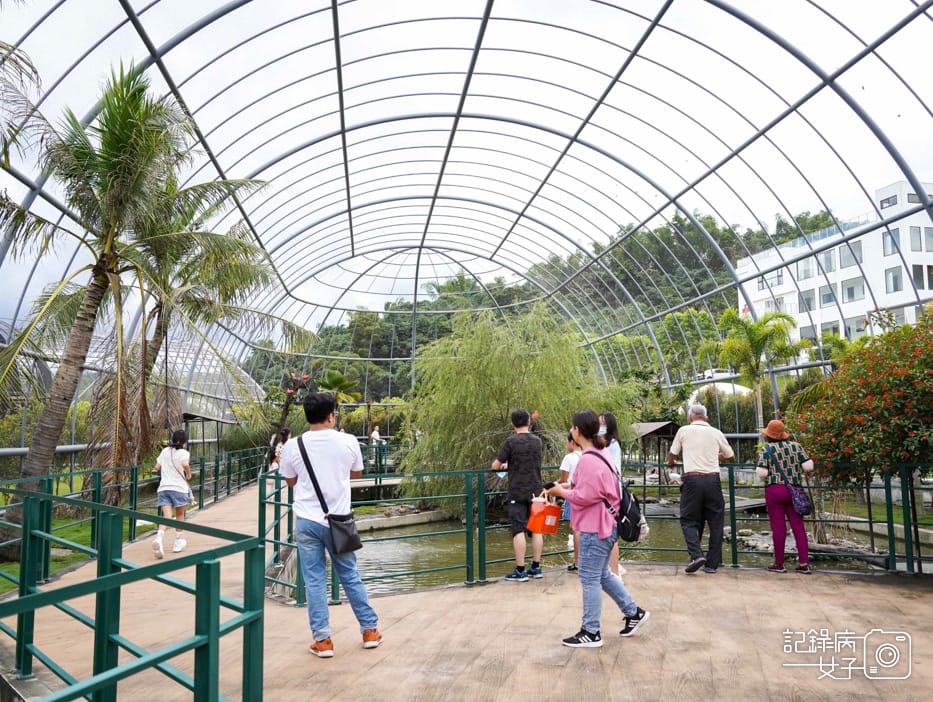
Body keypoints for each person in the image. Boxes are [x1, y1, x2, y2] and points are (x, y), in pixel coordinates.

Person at [279, 392, 382, 658]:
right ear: (330, 416)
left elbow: (289, 480)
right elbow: (357, 472)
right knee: (349, 574)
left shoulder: (293, 445)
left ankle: (323, 640)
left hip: (307, 521)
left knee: (314, 580)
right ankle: (370, 631)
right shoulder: (348, 441)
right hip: (339, 520)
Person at [547, 410, 650, 648]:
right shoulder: (601, 453)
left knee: (589, 577)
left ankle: (591, 631)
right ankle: (634, 612)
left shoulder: (588, 459)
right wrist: (567, 487)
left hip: (596, 527)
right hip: (606, 524)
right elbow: (593, 489)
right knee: (601, 574)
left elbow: (585, 496)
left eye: (573, 427)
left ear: (577, 431)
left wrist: (560, 492)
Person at [667, 403, 735, 574]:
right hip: (713, 480)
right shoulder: (716, 432)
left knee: (688, 519)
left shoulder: (683, 430)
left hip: (692, 481)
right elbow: (731, 455)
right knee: (716, 522)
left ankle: (696, 555)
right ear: (706, 417)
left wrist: (671, 463)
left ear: (690, 417)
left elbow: (672, 453)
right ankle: (711, 565)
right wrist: (718, 457)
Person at [491, 408, 544, 581]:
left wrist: (505, 465)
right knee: (537, 529)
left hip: (517, 491)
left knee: (518, 529)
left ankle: (520, 570)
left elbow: (496, 465)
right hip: (536, 490)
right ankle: (536, 567)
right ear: (529, 422)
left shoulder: (511, 442)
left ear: (512, 424)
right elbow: (530, 461)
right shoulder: (537, 441)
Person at [756, 419, 815, 574]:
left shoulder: (767, 449)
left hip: (774, 490)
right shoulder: (796, 446)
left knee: (778, 528)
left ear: (769, 435)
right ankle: (804, 563)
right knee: (798, 527)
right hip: (794, 490)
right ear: (783, 433)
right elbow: (808, 466)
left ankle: (779, 564)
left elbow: (762, 472)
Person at [152, 429, 192, 559]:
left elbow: (157, 467)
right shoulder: (184, 453)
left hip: (164, 488)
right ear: (184, 442)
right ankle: (177, 542)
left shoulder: (165, 451)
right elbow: (185, 464)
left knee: (167, 517)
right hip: (178, 488)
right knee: (180, 514)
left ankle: (159, 537)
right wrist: (189, 474)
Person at [599, 412, 625, 578]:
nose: (599, 426)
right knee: (606, 532)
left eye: (602, 423)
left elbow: (612, 468)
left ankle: (614, 571)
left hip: (611, 493)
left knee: (610, 533)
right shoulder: (604, 443)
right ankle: (611, 568)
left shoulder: (612, 444)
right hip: (606, 492)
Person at [558, 431, 583, 571]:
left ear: (572, 442)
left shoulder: (569, 458)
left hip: (572, 494)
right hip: (585, 495)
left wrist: (553, 485)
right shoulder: (587, 455)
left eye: (567, 442)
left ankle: (578, 562)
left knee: (576, 529)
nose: (566, 445)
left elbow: (563, 479)